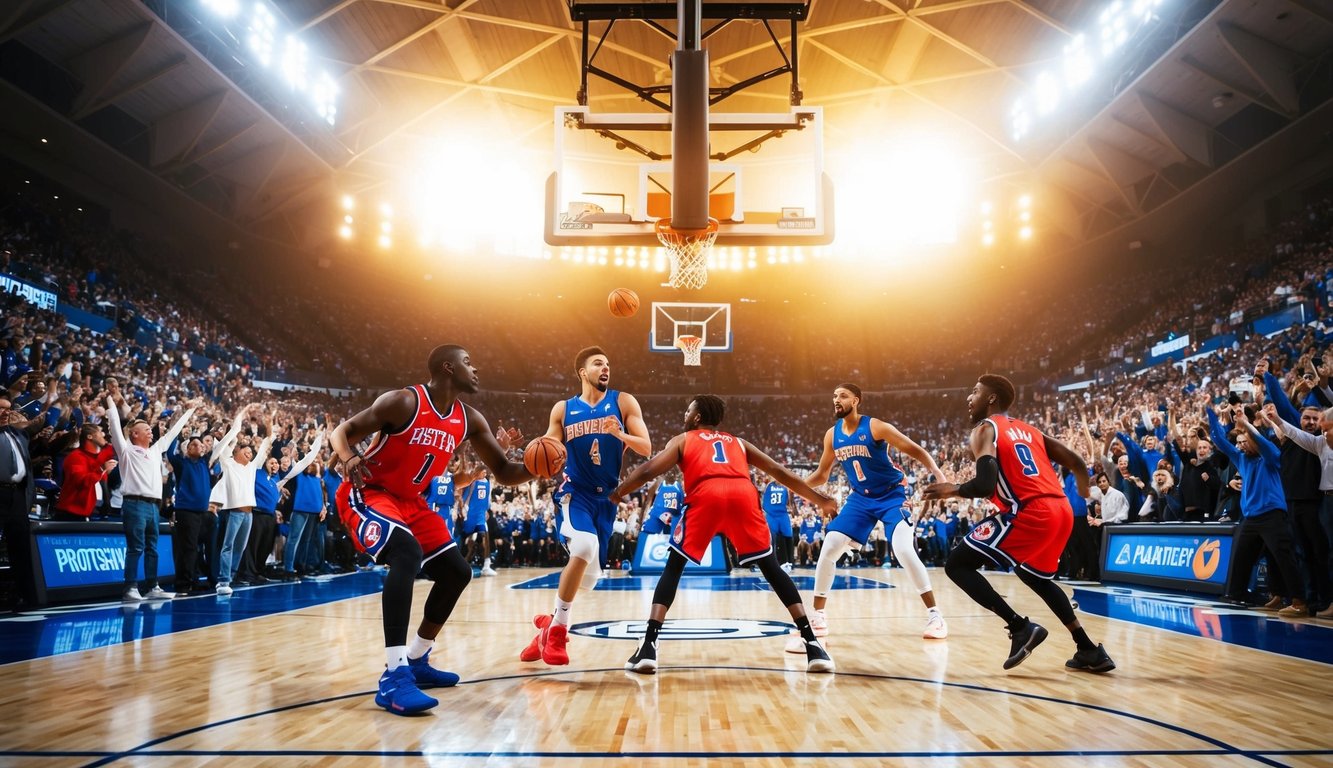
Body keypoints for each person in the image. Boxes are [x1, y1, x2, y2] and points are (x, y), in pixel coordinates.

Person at [330, 344, 531, 715]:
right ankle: (394, 677)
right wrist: (349, 456)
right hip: (369, 492)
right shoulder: (403, 402)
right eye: (468, 362)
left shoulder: (470, 419)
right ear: (447, 367)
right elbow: (343, 432)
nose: (476, 369)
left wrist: (539, 463)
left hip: (411, 502)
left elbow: (504, 471)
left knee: (456, 571)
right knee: (405, 553)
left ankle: (417, 658)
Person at [610, 395, 837, 674]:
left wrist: (617, 493)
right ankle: (813, 645)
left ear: (696, 417)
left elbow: (647, 470)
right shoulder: (739, 442)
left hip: (706, 494)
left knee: (674, 567)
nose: (685, 412)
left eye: (688, 409)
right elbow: (778, 471)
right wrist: (820, 499)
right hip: (743, 494)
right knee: (771, 567)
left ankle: (648, 647)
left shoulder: (683, 439)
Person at [924, 374, 1114, 673]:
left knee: (957, 565)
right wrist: (1084, 491)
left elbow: (986, 484)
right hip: (1061, 510)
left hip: (1030, 510)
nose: (968, 398)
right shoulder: (1031, 430)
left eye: (974, 392)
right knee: (1035, 576)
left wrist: (953, 489)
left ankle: (1020, 627)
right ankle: (1088, 649)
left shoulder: (985, 429)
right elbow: (1077, 462)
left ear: (991, 399)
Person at [788, 384, 948, 654]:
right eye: (834, 396)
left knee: (903, 549)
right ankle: (819, 617)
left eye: (842, 396)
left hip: (891, 495)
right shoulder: (832, 435)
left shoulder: (876, 427)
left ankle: (935, 615)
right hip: (860, 499)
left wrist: (938, 474)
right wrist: (795, 484)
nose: (836, 400)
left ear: (856, 401)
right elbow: (822, 474)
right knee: (830, 546)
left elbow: (914, 449)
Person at [519, 346, 651, 667]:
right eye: (598, 364)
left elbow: (646, 447)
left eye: (608, 364)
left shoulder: (623, 401)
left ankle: (548, 624)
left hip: (606, 499)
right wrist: (525, 449)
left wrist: (620, 433)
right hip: (574, 492)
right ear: (583, 372)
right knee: (582, 545)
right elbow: (548, 446)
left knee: (589, 579)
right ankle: (559, 632)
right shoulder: (563, 409)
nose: (606, 368)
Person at [1207, 402, 1307, 615]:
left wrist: (1246, 424)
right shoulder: (1241, 458)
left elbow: (1265, 445)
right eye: (1239, 442)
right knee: (1241, 557)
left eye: (1245, 442)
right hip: (1251, 518)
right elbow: (1218, 440)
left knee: (1284, 558)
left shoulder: (1269, 457)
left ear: (1255, 441)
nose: (1241, 446)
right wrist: (1210, 412)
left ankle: (1299, 601)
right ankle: (1237, 595)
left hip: (1273, 515)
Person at [106, 394, 196, 602]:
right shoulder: (126, 450)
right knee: (136, 547)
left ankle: (152, 586)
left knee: (152, 548)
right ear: (134, 434)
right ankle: (130, 588)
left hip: (153, 507)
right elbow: (115, 428)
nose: (151, 431)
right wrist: (111, 403)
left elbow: (173, 433)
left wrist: (190, 412)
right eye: (146, 429)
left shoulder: (155, 451)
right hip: (134, 504)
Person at [461, 471, 496, 576]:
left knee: (484, 538)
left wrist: (485, 510)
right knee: (472, 540)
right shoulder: (472, 482)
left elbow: (486, 502)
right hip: (471, 514)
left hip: (480, 515)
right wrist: (466, 512)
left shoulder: (486, 484)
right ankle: (464, 565)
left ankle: (486, 565)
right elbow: (466, 499)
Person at [760, 475, 795, 572]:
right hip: (773, 515)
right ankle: (775, 563)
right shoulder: (772, 485)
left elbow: (789, 503)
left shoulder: (781, 486)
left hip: (779, 514)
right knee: (774, 539)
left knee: (787, 537)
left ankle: (789, 562)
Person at [639, 472, 682, 536]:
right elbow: (648, 502)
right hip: (655, 520)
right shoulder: (659, 482)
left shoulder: (680, 485)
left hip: (673, 520)